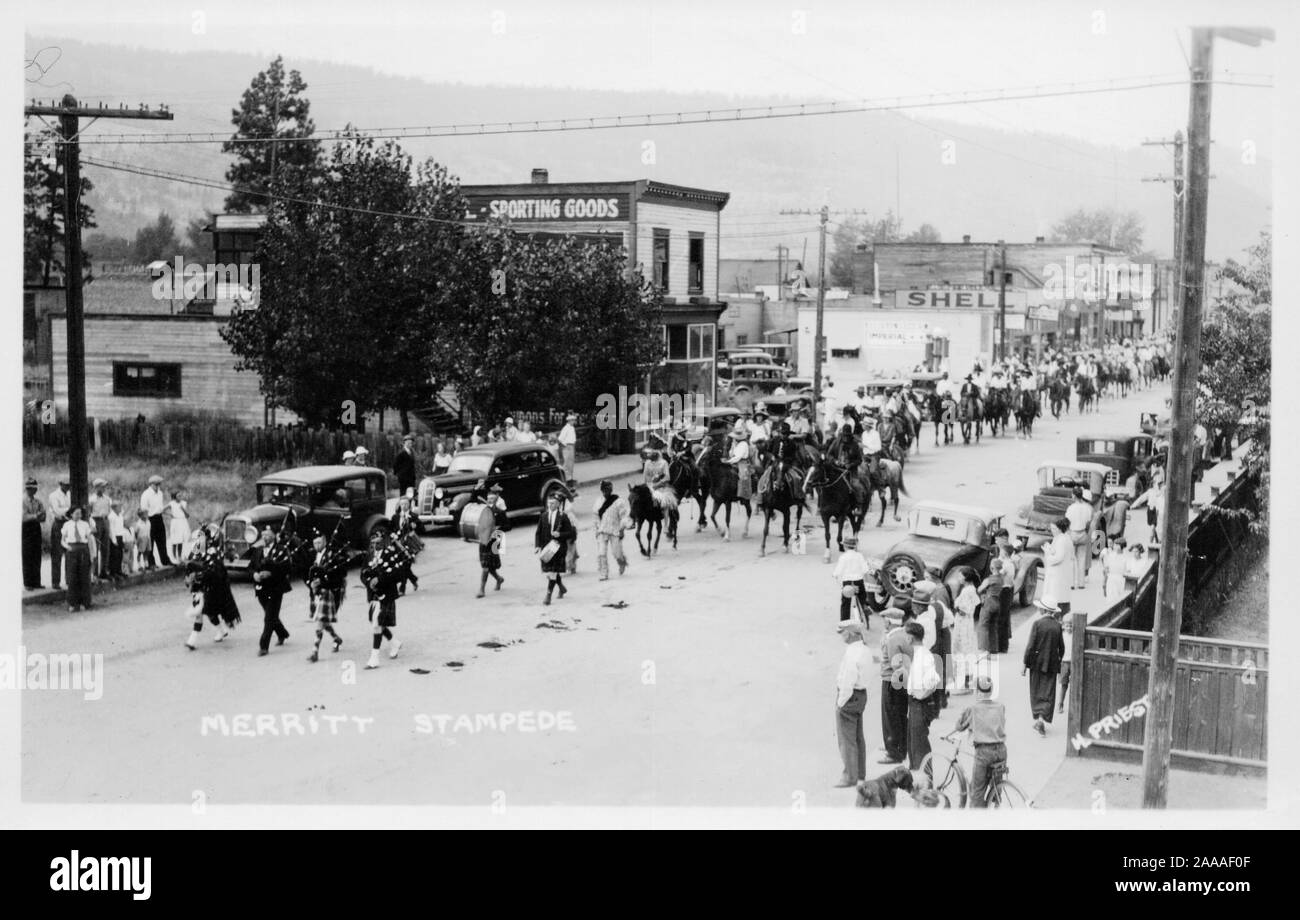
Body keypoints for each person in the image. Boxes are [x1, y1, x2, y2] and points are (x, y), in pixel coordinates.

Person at [955, 675, 1007, 808]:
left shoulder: (973, 708)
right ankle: (995, 798)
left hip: (984, 753)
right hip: (1001, 750)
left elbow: (959, 727)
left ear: (977, 691)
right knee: (994, 783)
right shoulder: (1000, 706)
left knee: (977, 792)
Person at [834, 619, 871, 787]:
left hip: (850, 695)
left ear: (849, 633)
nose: (841, 636)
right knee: (857, 737)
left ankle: (850, 776)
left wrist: (841, 702)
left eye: (842, 632)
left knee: (846, 738)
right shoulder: (864, 650)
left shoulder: (851, 654)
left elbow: (848, 679)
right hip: (861, 694)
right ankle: (860, 773)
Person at [360, 531, 404, 669]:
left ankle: (374, 658)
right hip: (373, 595)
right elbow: (362, 574)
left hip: (386, 594)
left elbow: (398, 574)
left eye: (378, 543)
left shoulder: (389, 555)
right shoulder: (369, 556)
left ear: (383, 542)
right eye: (372, 543)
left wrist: (379, 579)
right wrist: (369, 583)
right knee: (376, 622)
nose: (375, 546)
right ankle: (394, 642)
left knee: (377, 624)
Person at [1023, 597, 1066, 735]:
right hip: (1052, 664)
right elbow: (1062, 648)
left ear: (1043, 610)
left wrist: (1025, 663)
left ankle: (1038, 717)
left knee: (1036, 689)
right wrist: (1059, 664)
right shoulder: (1057, 626)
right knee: (1048, 691)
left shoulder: (1037, 624)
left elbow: (1030, 646)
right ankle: (1042, 718)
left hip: (1036, 662)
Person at [250, 523, 293, 657]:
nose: (265, 537)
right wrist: (254, 575)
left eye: (268, 535)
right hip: (261, 589)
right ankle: (282, 633)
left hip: (276, 588)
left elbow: (287, 567)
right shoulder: (258, 550)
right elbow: (251, 567)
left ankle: (263, 646)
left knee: (269, 617)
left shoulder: (282, 549)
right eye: (263, 535)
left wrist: (272, 574)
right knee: (271, 615)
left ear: (274, 536)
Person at [878, 607, 914, 764]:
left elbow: (895, 665)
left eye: (885, 621)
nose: (884, 624)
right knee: (900, 716)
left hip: (891, 681)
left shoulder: (893, 639)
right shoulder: (904, 635)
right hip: (902, 683)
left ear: (889, 622)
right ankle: (900, 747)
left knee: (890, 717)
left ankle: (893, 752)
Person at [904, 620, 942, 769]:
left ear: (911, 638)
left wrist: (920, 694)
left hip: (920, 703)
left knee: (920, 745)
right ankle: (917, 778)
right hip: (915, 703)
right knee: (913, 742)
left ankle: (926, 781)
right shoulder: (918, 653)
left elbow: (933, 678)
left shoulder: (924, 655)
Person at [306, 528, 347, 662]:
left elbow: (340, 574)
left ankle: (315, 651)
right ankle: (336, 638)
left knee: (320, 621)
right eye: (315, 543)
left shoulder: (332, 555)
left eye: (319, 543)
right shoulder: (313, 556)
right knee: (323, 620)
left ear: (324, 542)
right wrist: (312, 584)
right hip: (318, 592)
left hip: (329, 591)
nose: (317, 546)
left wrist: (323, 580)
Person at [535, 492, 576, 605]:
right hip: (547, 549)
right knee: (550, 572)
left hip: (558, 548)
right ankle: (562, 588)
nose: (550, 505)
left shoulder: (563, 516)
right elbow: (538, 532)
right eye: (549, 503)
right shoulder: (543, 516)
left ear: (558, 504)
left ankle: (548, 595)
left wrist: (560, 535)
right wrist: (538, 546)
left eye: (552, 503)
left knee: (553, 572)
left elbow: (570, 533)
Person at [592, 480, 631, 582]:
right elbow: (595, 517)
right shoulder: (598, 502)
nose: (606, 492)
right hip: (602, 531)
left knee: (616, 553)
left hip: (615, 531)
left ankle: (621, 562)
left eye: (608, 490)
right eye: (604, 490)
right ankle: (604, 573)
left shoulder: (618, 501)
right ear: (602, 490)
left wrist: (623, 528)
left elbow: (623, 516)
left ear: (611, 490)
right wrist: (596, 529)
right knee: (601, 553)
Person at [476, 484, 510, 597]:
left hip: (495, 541)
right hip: (484, 540)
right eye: (488, 498)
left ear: (496, 499)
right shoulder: (484, 510)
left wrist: (497, 529)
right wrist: (476, 489)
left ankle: (482, 590)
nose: (489, 501)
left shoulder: (500, 512)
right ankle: (499, 579)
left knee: (487, 566)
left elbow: (508, 526)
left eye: (492, 499)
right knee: (486, 566)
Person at [951, 568, 980, 694]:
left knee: (963, 650)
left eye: (960, 576)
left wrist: (956, 607)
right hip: (964, 623)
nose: (959, 578)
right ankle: (965, 681)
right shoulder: (969, 589)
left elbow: (966, 609)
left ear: (966, 578)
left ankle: (965, 683)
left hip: (964, 623)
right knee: (964, 650)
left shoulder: (968, 591)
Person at [60, 506, 94, 611]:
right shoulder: (66, 525)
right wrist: (67, 547)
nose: (79, 515)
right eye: (76, 513)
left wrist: (92, 554)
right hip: (72, 551)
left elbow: (89, 540)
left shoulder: (85, 524)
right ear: (71, 514)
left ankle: (85, 602)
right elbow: (62, 540)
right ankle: (72, 604)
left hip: (83, 550)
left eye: (80, 513)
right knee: (72, 577)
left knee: (84, 576)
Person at [832, 534, 871, 624]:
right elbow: (865, 569)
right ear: (855, 546)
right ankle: (865, 617)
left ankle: (844, 623)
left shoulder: (843, 557)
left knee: (845, 603)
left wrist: (834, 574)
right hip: (859, 581)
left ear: (845, 546)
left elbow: (838, 571)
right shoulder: (859, 556)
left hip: (847, 583)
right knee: (862, 599)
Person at [1042, 517, 1072, 613]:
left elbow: (1058, 558)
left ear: (1060, 529)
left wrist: (1047, 554)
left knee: (1057, 597)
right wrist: (1050, 548)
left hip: (1058, 574)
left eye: (1054, 529)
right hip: (1060, 573)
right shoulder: (1062, 538)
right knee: (1060, 596)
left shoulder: (1061, 540)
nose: (1052, 531)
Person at [1065, 488, 1093, 588]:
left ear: (1074, 496)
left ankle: (1072, 583)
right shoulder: (1087, 508)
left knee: (1072, 559)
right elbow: (1088, 523)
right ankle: (1081, 584)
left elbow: (1067, 522)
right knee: (1081, 559)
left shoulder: (1071, 508)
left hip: (1073, 533)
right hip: (1083, 533)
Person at [22, 477, 46, 589]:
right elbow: (23, 517)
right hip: (26, 529)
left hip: (36, 528)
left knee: (36, 555)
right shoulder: (22, 501)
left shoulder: (38, 501)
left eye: (34, 488)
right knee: (27, 555)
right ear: (26, 489)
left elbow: (43, 516)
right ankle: (28, 583)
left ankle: (36, 581)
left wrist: (36, 516)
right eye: (30, 488)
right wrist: (36, 516)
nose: (33, 490)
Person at [48, 479, 71, 589]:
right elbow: (58, 511)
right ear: (60, 484)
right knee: (57, 553)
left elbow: (73, 509)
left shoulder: (70, 494)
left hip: (69, 524)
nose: (68, 487)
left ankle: (69, 579)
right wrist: (69, 510)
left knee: (69, 553)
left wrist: (69, 510)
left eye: (69, 485)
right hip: (59, 524)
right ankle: (55, 581)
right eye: (65, 485)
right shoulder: (54, 495)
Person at [89, 479, 112, 579]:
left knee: (105, 547)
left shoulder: (107, 499)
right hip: (96, 520)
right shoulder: (92, 499)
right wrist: (93, 524)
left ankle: (104, 571)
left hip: (105, 521)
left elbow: (109, 510)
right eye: (101, 487)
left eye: (104, 487)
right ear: (96, 487)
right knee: (95, 547)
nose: (103, 489)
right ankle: (95, 573)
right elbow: (89, 513)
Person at [723, 426, 753, 502]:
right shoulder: (735, 443)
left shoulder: (743, 444)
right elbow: (731, 453)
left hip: (742, 462)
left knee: (743, 476)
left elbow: (738, 457)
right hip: (734, 460)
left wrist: (728, 461)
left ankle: (743, 495)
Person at [166, 489, 191, 565]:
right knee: (174, 540)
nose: (180, 497)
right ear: (174, 497)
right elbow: (162, 510)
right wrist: (170, 514)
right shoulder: (171, 503)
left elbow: (187, 515)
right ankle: (174, 557)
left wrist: (183, 509)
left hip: (182, 522)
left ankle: (179, 556)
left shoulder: (183, 503)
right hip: (175, 522)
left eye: (181, 495)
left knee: (180, 540)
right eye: (178, 496)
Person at [107, 500, 128, 582]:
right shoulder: (111, 517)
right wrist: (114, 540)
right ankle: (113, 572)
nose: (120, 508)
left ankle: (119, 570)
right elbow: (111, 529)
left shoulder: (120, 516)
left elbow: (121, 527)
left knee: (120, 554)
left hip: (120, 536)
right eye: (119, 507)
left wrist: (123, 538)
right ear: (114, 508)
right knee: (114, 555)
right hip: (114, 537)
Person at [557, 414, 578, 483]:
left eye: (574, 420)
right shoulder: (565, 428)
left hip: (572, 446)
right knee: (566, 463)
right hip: (567, 446)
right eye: (572, 420)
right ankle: (565, 478)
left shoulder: (572, 428)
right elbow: (560, 439)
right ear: (569, 421)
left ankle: (570, 478)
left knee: (571, 463)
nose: (573, 421)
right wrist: (565, 445)